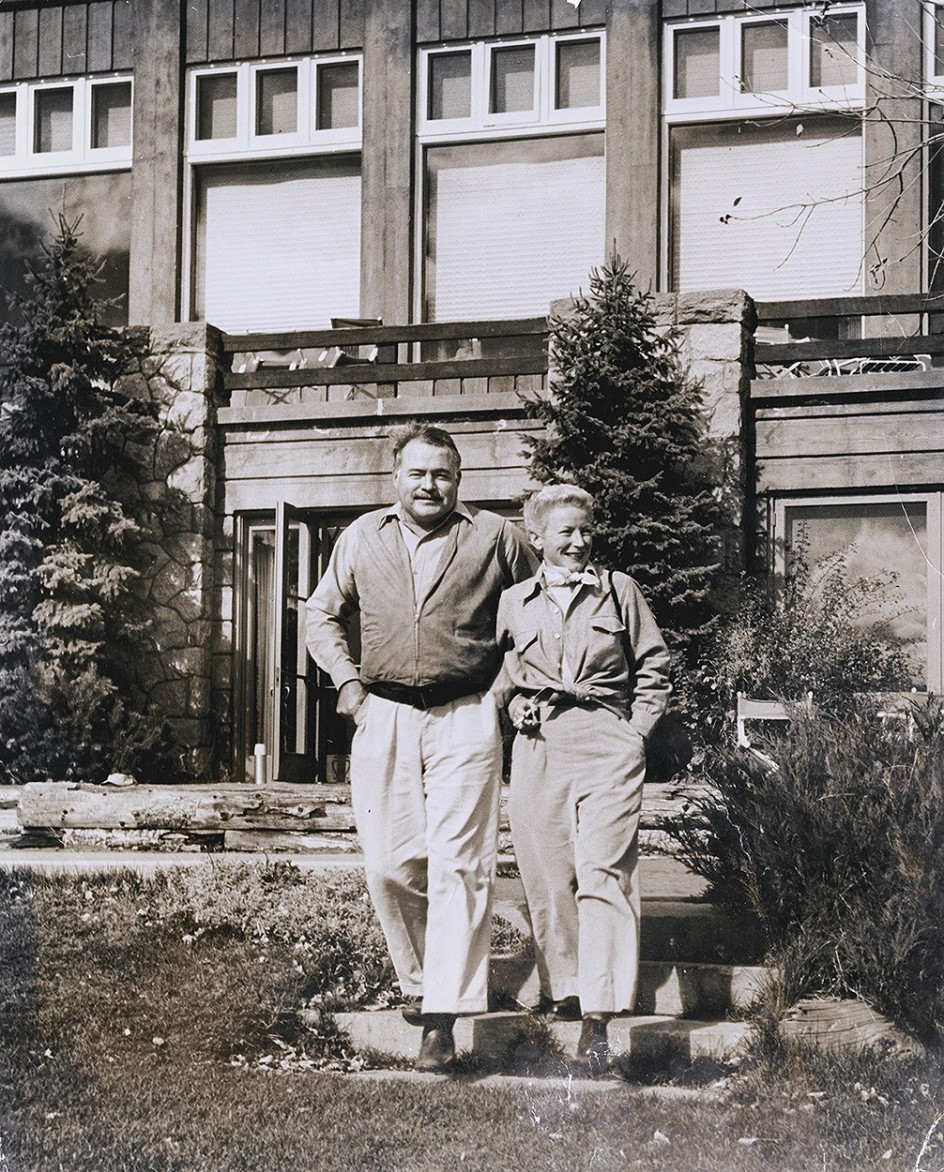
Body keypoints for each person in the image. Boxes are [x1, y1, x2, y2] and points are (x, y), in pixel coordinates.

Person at [305, 423, 537, 1072]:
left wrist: (501, 690)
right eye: (417, 473)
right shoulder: (362, 537)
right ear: (396, 478)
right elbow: (319, 612)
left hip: (466, 714)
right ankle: (418, 984)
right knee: (388, 861)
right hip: (385, 714)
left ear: (458, 480)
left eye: (442, 474)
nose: (429, 484)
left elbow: (538, 614)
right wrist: (347, 680)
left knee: (460, 863)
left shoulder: (495, 537)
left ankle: (441, 1017)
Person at [493, 484, 671, 1072]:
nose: (577, 541)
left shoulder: (620, 591)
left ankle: (599, 1012)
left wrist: (635, 733)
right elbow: (504, 673)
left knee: (604, 869)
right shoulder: (515, 600)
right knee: (546, 872)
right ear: (537, 539)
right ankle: (566, 987)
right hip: (540, 741)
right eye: (564, 532)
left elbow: (654, 666)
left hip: (606, 740)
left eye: (585, 530)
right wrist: (512, 707)